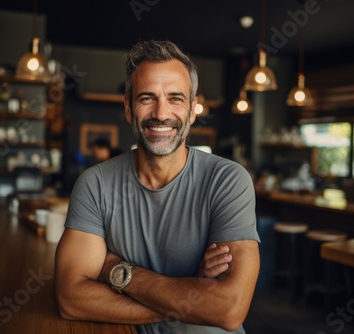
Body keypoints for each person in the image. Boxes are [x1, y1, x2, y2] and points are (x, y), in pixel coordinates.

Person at [55, 40, 260, 333]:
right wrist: (193, 298)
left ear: (192, 110)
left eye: (176, 98)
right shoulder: (95, 184)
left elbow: (228, 310)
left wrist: (119, 272)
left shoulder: (228, 181)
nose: (161, 113)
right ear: (128, 108)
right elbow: (71, 300)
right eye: (147, 98)